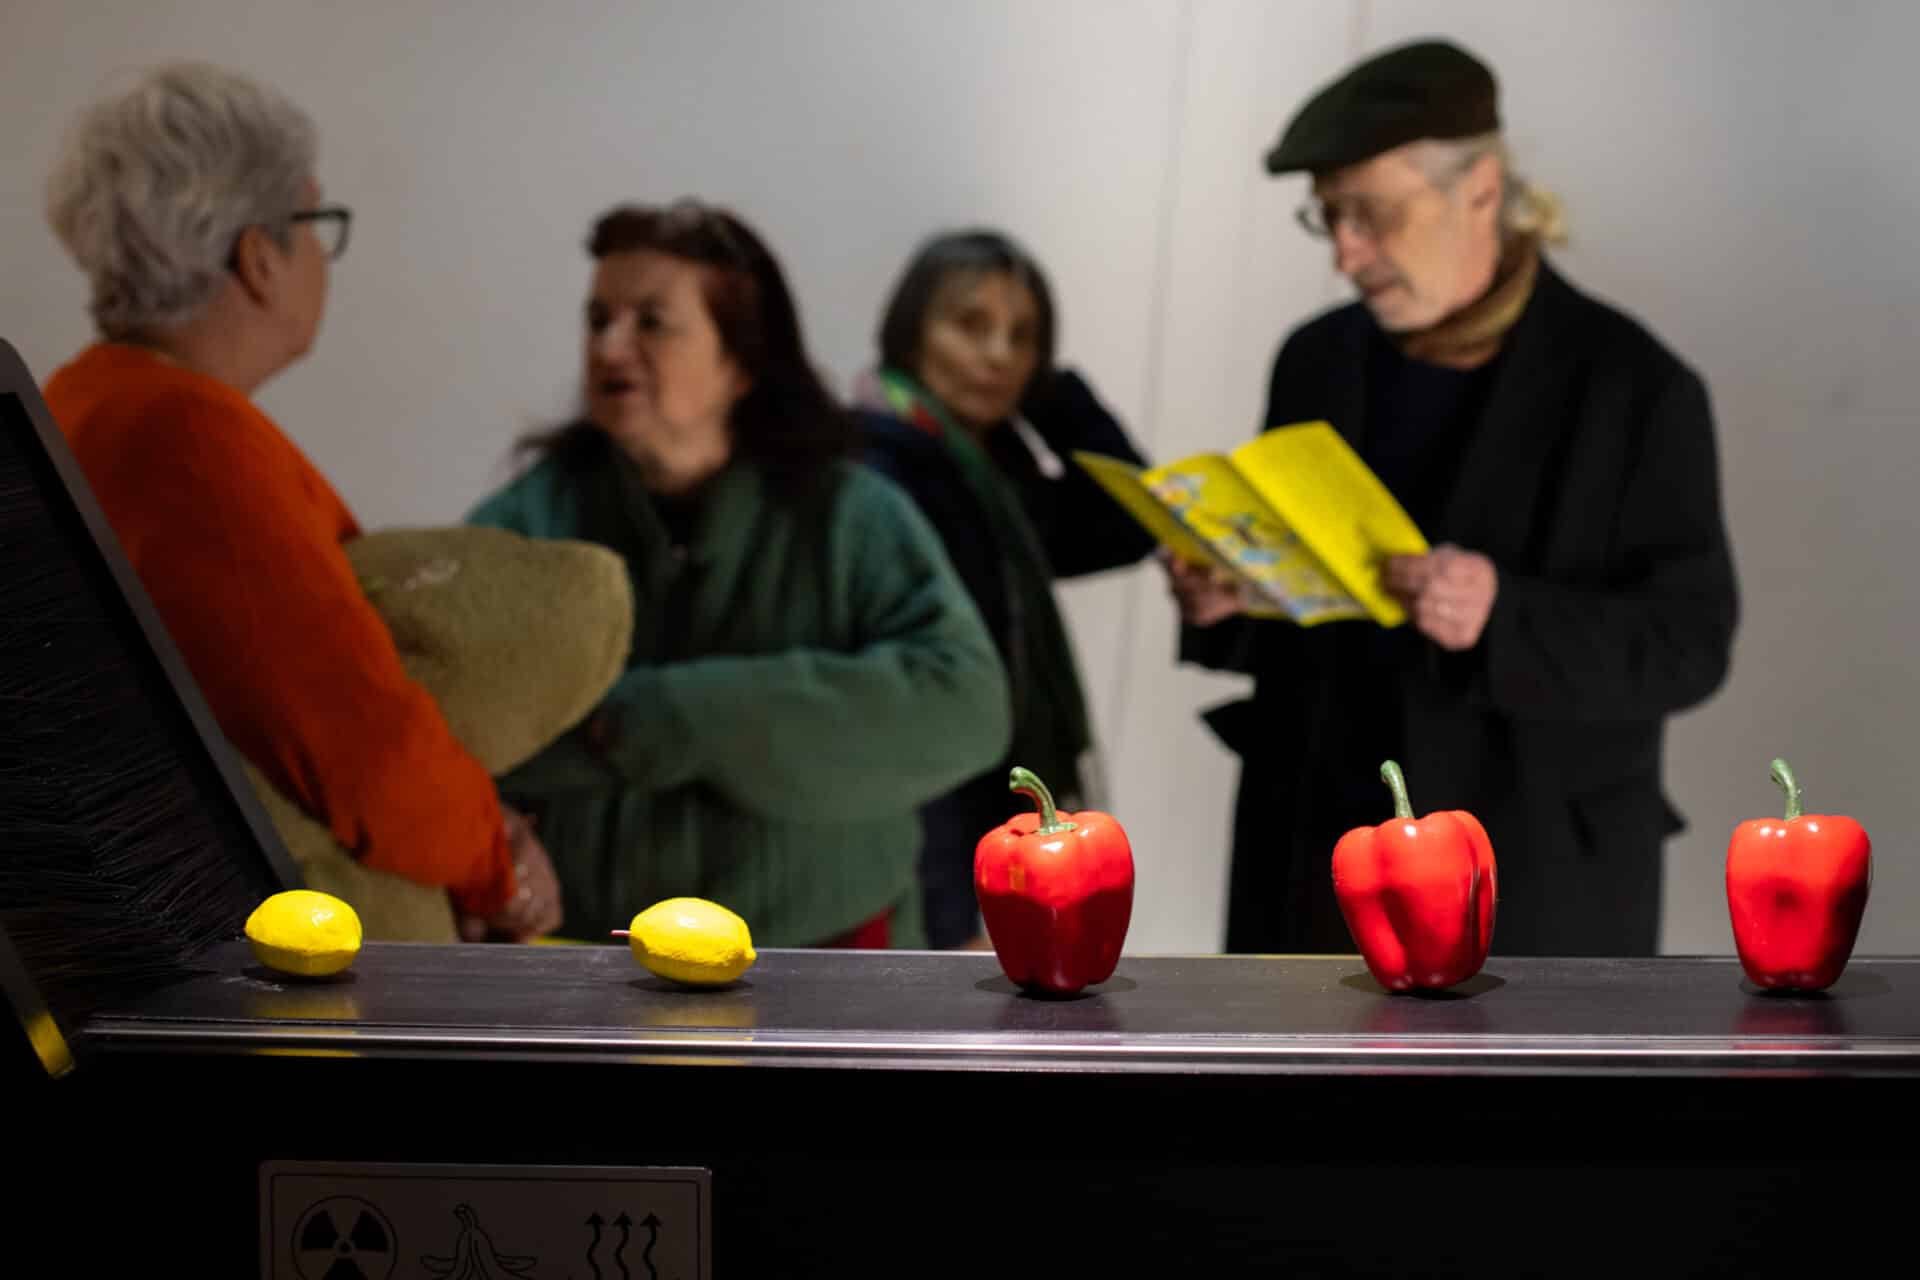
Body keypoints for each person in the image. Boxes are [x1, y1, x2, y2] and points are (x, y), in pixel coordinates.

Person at [1170, 39, 1738, 956]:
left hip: (1533, 883)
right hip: (1321, 864)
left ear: (1480, 187)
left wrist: (1503, 614)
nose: (1347, 254)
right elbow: (1316, 616)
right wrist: (1236, 599)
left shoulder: (1636, 387)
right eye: (1330, 219)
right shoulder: (1313, 360)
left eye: (1373, 214)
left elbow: (1690, 646)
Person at [39, 63, 560, 940]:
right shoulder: (188, 440)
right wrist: (499, 868)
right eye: (316, 222)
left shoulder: (84, 401)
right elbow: (360, 750)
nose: (325, 255)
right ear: (258, 259)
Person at [467, 201, 1011, 949]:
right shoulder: (527, 521)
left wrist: (663, 717)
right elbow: (450, 731)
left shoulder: (852, 515)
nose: (609, 346)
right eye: (598, 320)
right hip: (590, 970)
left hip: (825, 967)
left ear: (742, 360)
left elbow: (964, 707)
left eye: (651, 322)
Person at [856, 231, 1157, 949]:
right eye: (970, 326)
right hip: (917, 811)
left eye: (1023, 337)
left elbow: (1130, 521)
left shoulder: (1000, 474)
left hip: (1001, 798)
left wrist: (1051, 394)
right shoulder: (869, 467)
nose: (998, 355)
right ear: (910, 330)